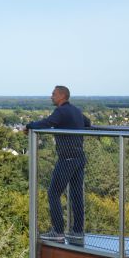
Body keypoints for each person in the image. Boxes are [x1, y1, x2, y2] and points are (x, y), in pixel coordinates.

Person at [26, 85, 90, 246]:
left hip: (67, 158)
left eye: (53, 94)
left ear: (62, 96)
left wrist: (29, 126)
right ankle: (77, 231)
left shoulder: (61, 111)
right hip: (79, 157)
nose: (51, 97)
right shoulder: (76, 110)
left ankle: (58, 232)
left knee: (53, 193)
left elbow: (46, 123)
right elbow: (88, 123)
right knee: (76, 195)